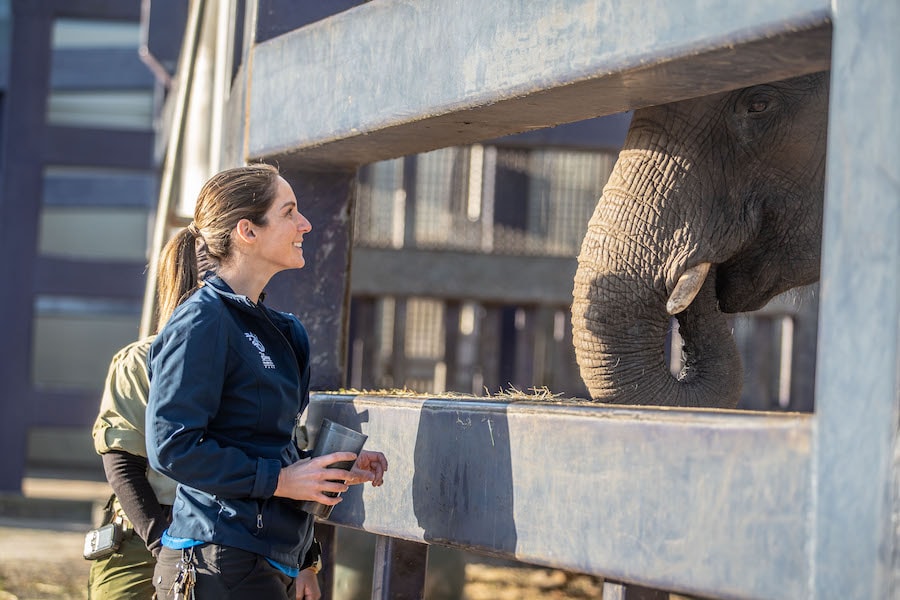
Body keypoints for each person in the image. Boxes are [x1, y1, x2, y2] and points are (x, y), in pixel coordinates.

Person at [145, 163, 388, 600]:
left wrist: (325, 468)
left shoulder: (286, 331)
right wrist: (280, 481)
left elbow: (267, 447)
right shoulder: (201, 321)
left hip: (270, 561)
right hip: (215, 560)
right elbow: (171, 446)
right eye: (289, 211)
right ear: (247, 231)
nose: (306, 224)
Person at [86, 226, 207, 598]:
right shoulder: (140, 360)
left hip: (226, 535)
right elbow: (122, 466)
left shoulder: (253, 362)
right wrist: (164, 547)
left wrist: (305, 561)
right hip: (148, 530)